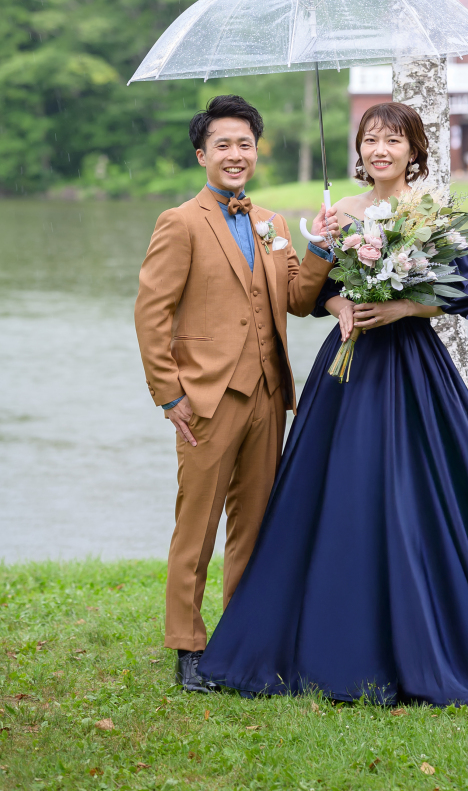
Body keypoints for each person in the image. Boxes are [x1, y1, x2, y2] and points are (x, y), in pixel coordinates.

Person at [199, 103, 468, 705]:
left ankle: (440, 627)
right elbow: (311, 294)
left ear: (413, 150)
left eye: (392, 140)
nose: (380, 149)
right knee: (340, 492)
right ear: (360, 150)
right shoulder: (339, 213)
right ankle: (321, 631)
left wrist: (400, 307)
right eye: (370, 139)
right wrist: (337, 302)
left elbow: (461, 288)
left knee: (423, 490)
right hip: (347, 369)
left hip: (413, 367)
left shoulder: (432, 211)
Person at [134, 94, 339, 693]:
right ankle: (187, 645)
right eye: (222, 144)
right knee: (195, 524)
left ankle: (244, 638)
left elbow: (299, 300)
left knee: (254, 524)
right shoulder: (180, 222)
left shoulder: (272, 224)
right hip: (206, 398)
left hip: (270, 396)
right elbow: (152, 313)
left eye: (244, 144)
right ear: (202, 153)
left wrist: (321, 248)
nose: (235, 154)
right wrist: (168, 394)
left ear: (256, 152)